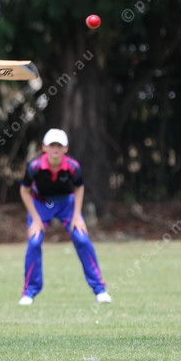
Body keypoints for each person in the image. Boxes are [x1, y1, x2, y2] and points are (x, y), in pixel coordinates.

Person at [18, 128, 111, 305]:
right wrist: (36, 219)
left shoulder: (73, 167)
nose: (55, 149)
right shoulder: (34, 167)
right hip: (40, 204)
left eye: (59, 146)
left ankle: (100, 290)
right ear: (44, 147)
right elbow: (24, 191)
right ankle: (29, 292)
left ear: (66, 148)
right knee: (34, 242)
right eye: (52, 145)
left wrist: (77, 216)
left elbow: (79, 187)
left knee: (82, 239)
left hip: (66, 204)